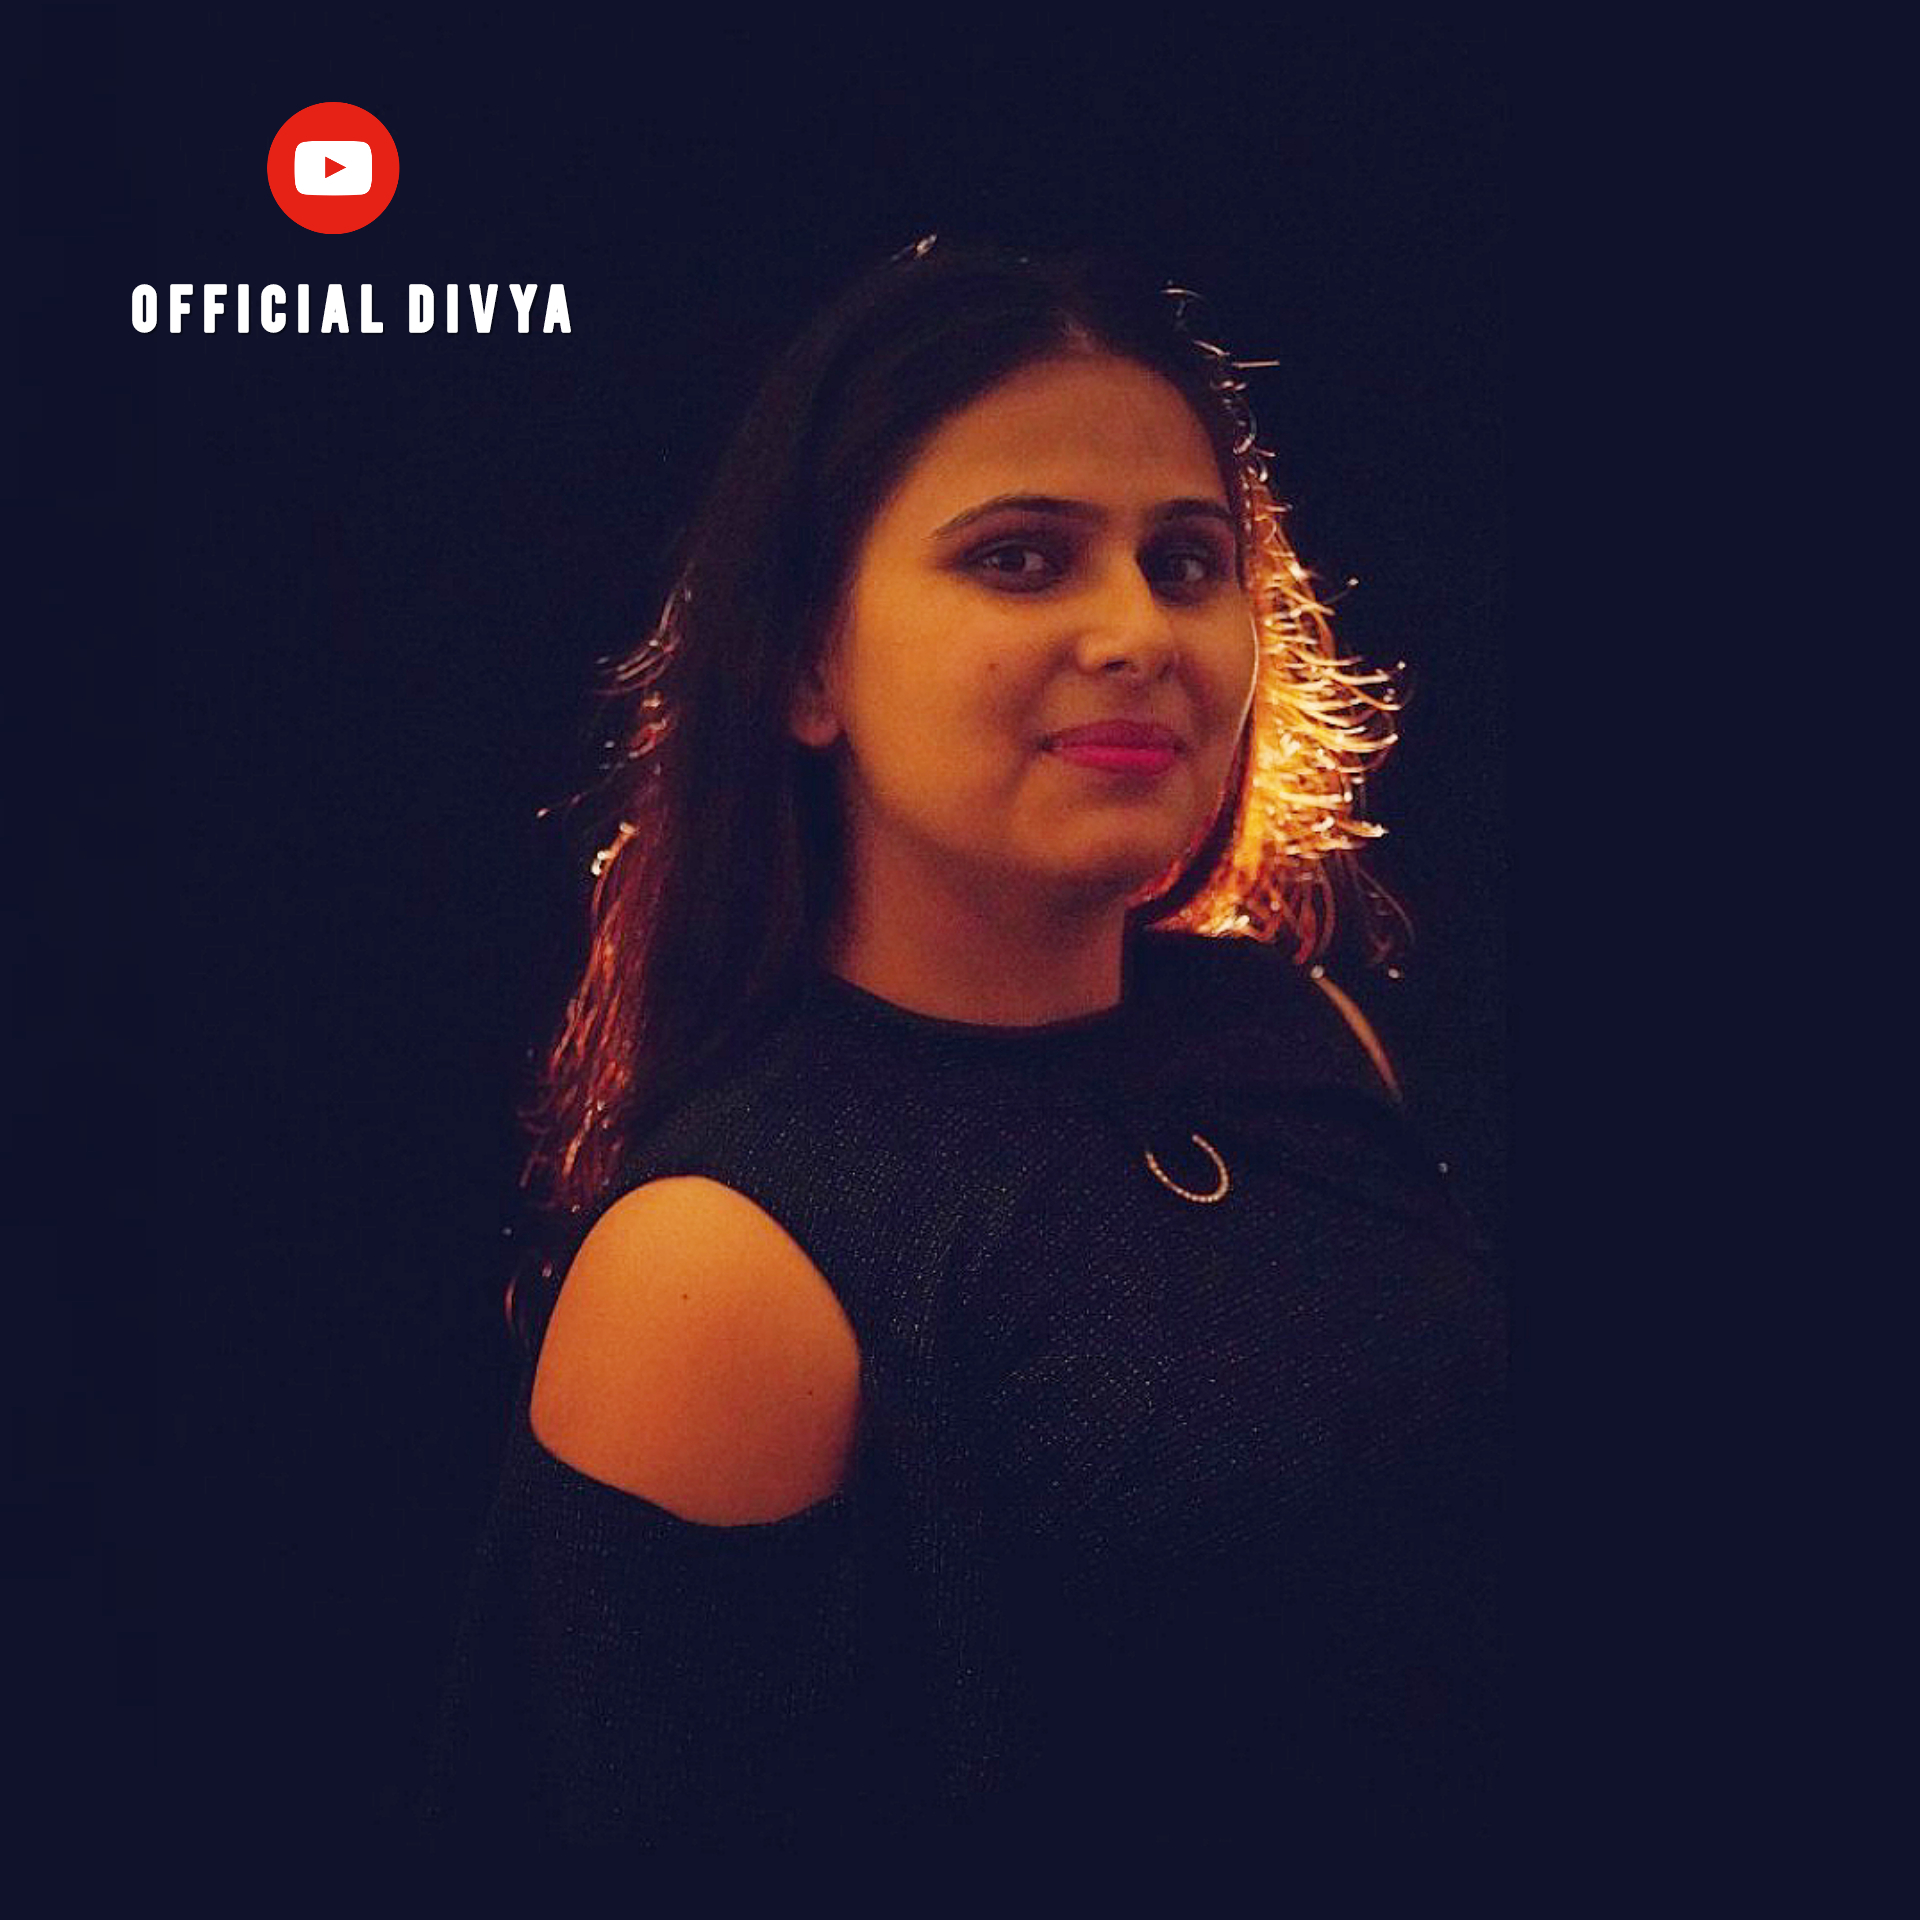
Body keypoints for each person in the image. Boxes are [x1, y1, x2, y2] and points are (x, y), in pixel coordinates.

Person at [416, 235, 1505, 1854]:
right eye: (1020, 558)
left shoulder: (1301, 1031)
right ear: (806, 664)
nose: (1137, 630)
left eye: (1186, 562)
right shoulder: (722, 1263)